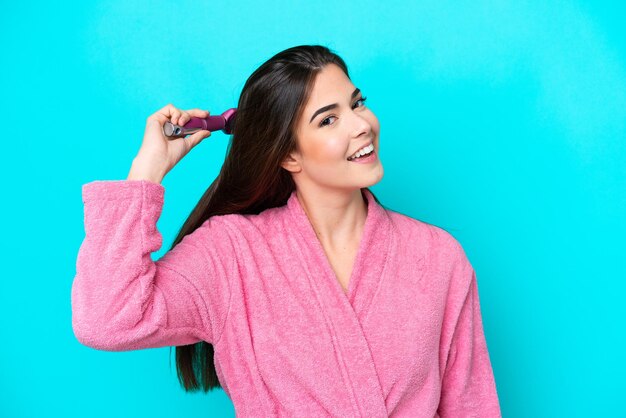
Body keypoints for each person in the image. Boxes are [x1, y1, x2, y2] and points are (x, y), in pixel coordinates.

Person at [72, 44, 502, 417]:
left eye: (357, 103)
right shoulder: (232, 254)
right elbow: (108, 319)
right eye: (327, 120)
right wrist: (146, 172)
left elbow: (472, 407)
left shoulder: (439, 256)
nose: (361, 124)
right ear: (289, 156)